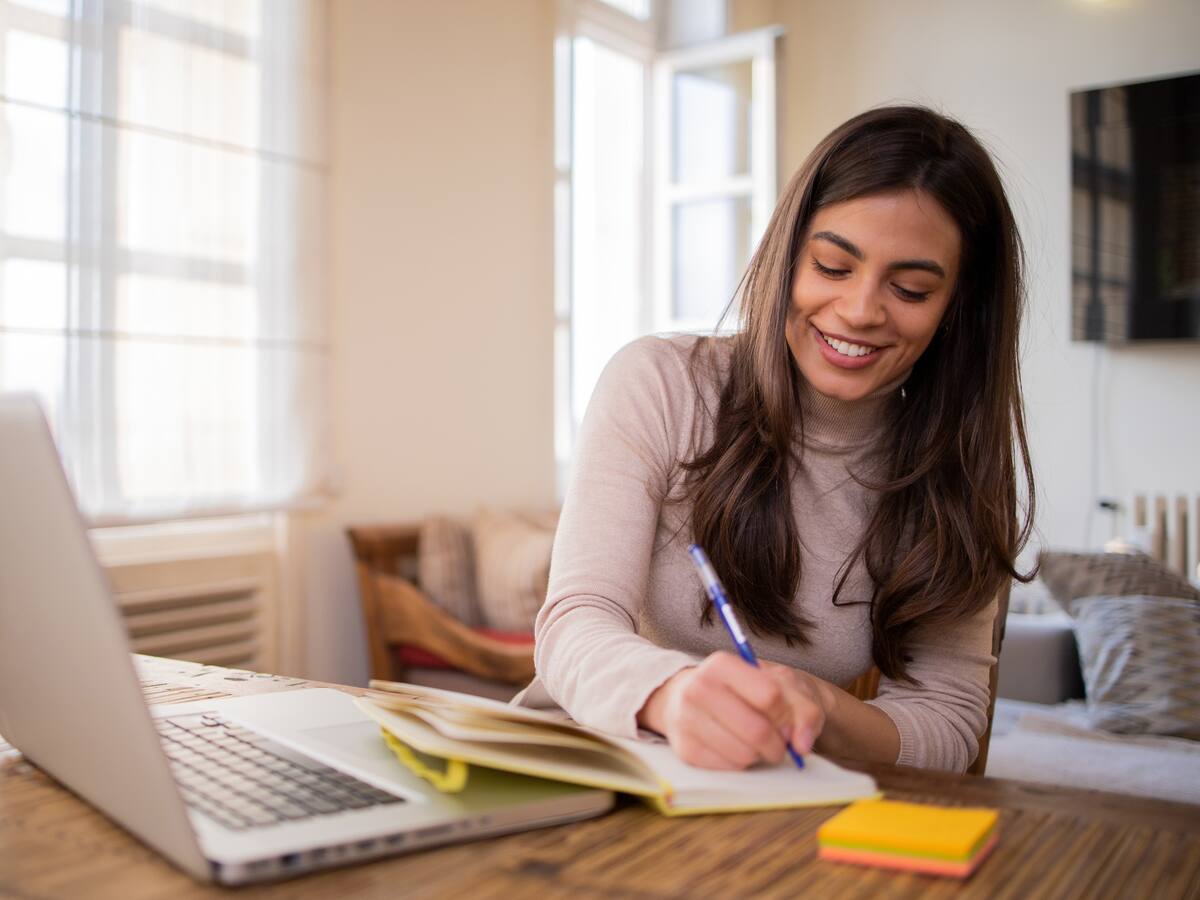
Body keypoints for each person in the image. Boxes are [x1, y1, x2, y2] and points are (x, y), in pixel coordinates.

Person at [518, 106, 1035, 774]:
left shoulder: (957, 469)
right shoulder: (661, 383)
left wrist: (820, 708)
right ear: (786, 254)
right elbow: (574, 624)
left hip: (767, 804)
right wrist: (673, 696)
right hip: (590, 766)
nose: (859, 310)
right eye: (831, 265)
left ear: (957, 308)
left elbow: (950, 721)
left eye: (909, 288)